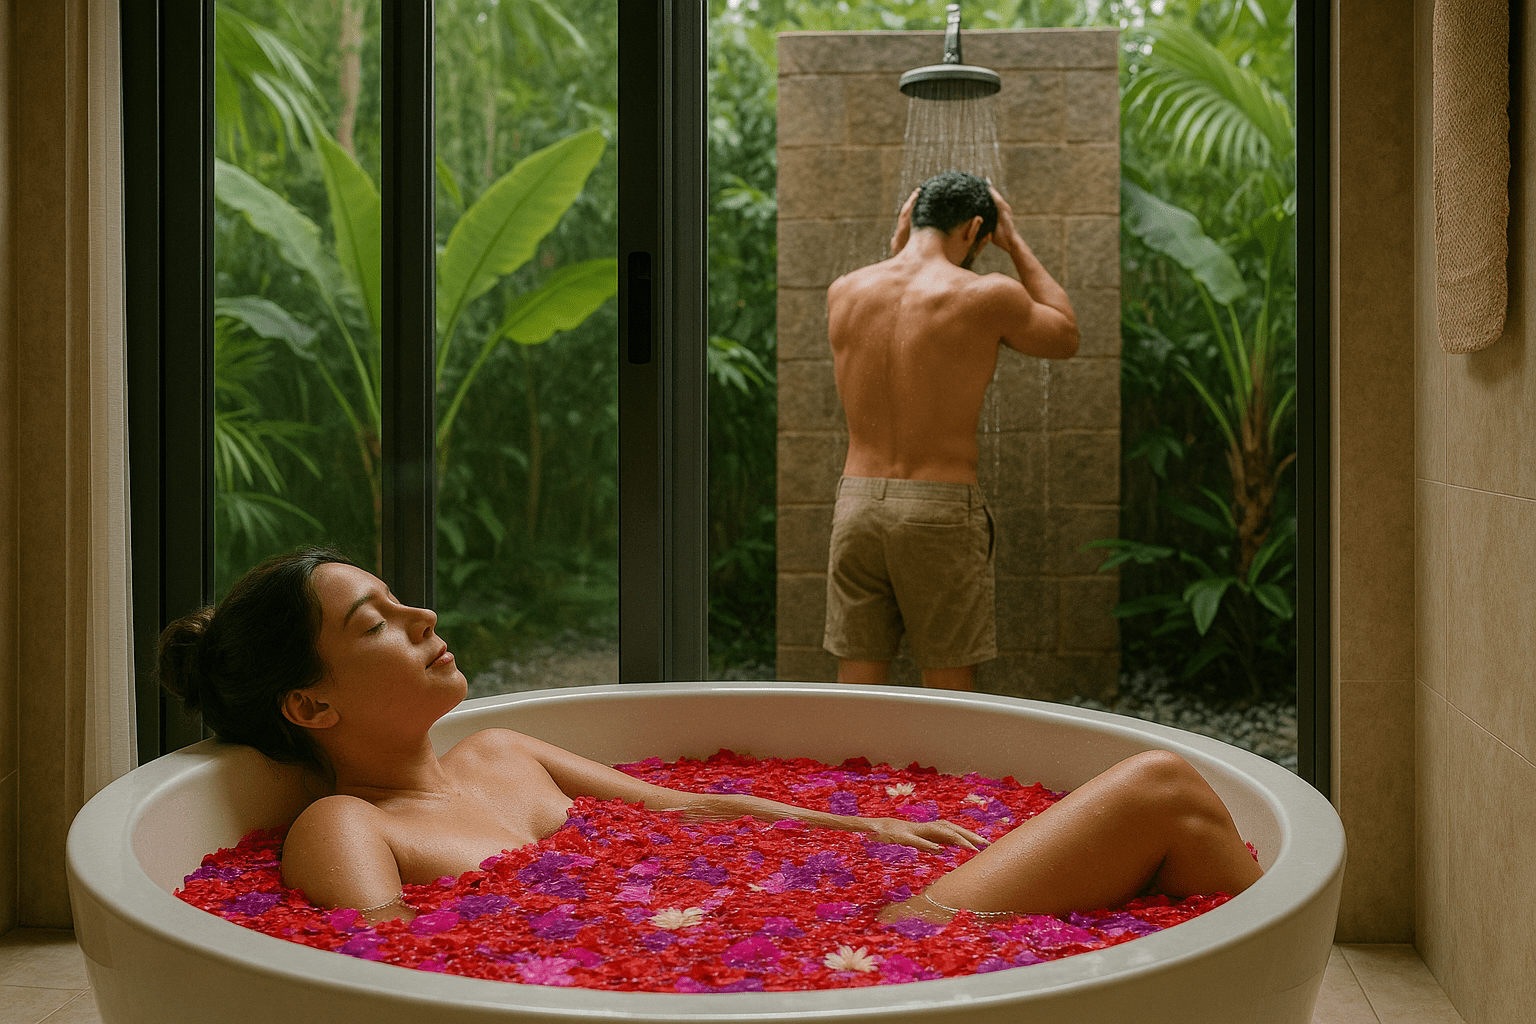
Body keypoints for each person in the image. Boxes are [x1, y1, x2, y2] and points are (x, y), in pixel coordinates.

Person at [159, 547, 1262, 925]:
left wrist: (865, 826)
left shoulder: (503, 752)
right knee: (1161, 788)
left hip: (833, 940)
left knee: (1166, 800)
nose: (424, 616)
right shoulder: (344, 825)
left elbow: (695, 808)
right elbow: (388, 979)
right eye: (375, 624)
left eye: (403, 599)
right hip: (840, 973)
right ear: (310, 706)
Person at [823, 171, 1079, 691]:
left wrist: (899, 250)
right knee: (949, 696)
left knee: (857, 692)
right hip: (937, 509)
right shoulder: (987, 294)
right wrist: (1014, 242)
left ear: (910, 220)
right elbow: (1064, 334)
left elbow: (901, 309)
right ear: (977, 228)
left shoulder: (846, 291)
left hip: (857, 507)